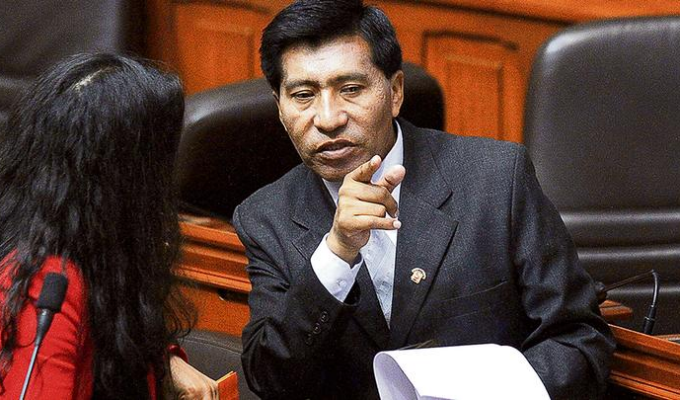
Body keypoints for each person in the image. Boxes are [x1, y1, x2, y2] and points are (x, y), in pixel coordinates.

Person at [235, 0, 616, 399]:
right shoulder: (266, 217)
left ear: (395, 92)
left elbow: (578, 338)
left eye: (351, 90)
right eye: (303, 95)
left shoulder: (497, 179)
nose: (328, 119)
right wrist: (336, 254)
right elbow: (271, 379)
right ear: (280, 108)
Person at [0, 53, 217, 399]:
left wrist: (163, 359)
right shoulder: (48, 284)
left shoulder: (87, 247)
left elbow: (109, 333)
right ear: (128, 173)